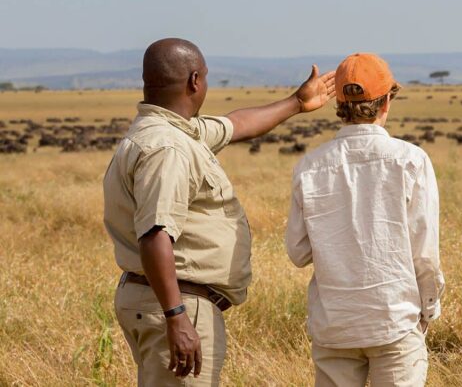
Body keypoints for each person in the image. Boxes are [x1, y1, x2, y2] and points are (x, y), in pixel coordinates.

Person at [103, 38, 335, 386]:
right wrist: (177, 316)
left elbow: (236, 124)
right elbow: (155, 235)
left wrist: (297, 102)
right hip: (178, 303)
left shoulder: (172, 131)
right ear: (195, 80)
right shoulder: (168, 148)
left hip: (164, 300)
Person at [285, 53, 445, 386]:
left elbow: (298, 253)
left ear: (339, 105)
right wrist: (428, 309)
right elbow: (425, 253)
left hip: (335, 325)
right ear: (386, 101)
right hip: (394, 320)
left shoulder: (309, 167)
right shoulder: (411, 160)